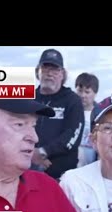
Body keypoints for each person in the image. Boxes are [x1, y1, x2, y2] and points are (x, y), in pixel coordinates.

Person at [33, 48, 85, 180]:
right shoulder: (29, 99)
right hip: (29, 171)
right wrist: (31, 155)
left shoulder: (72, 100)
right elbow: (17, 130)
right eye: (45, 68)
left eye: (55, 69)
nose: (49, 73)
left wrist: (43, 152)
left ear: (62, 74)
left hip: (62, 177)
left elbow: (73, 136)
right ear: (38, 72)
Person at [75, 72, 100, 167]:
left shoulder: (100, 115)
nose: (82, 95)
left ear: (95, 93)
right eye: (80, 91)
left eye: (87, 92)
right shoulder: (71, 112)